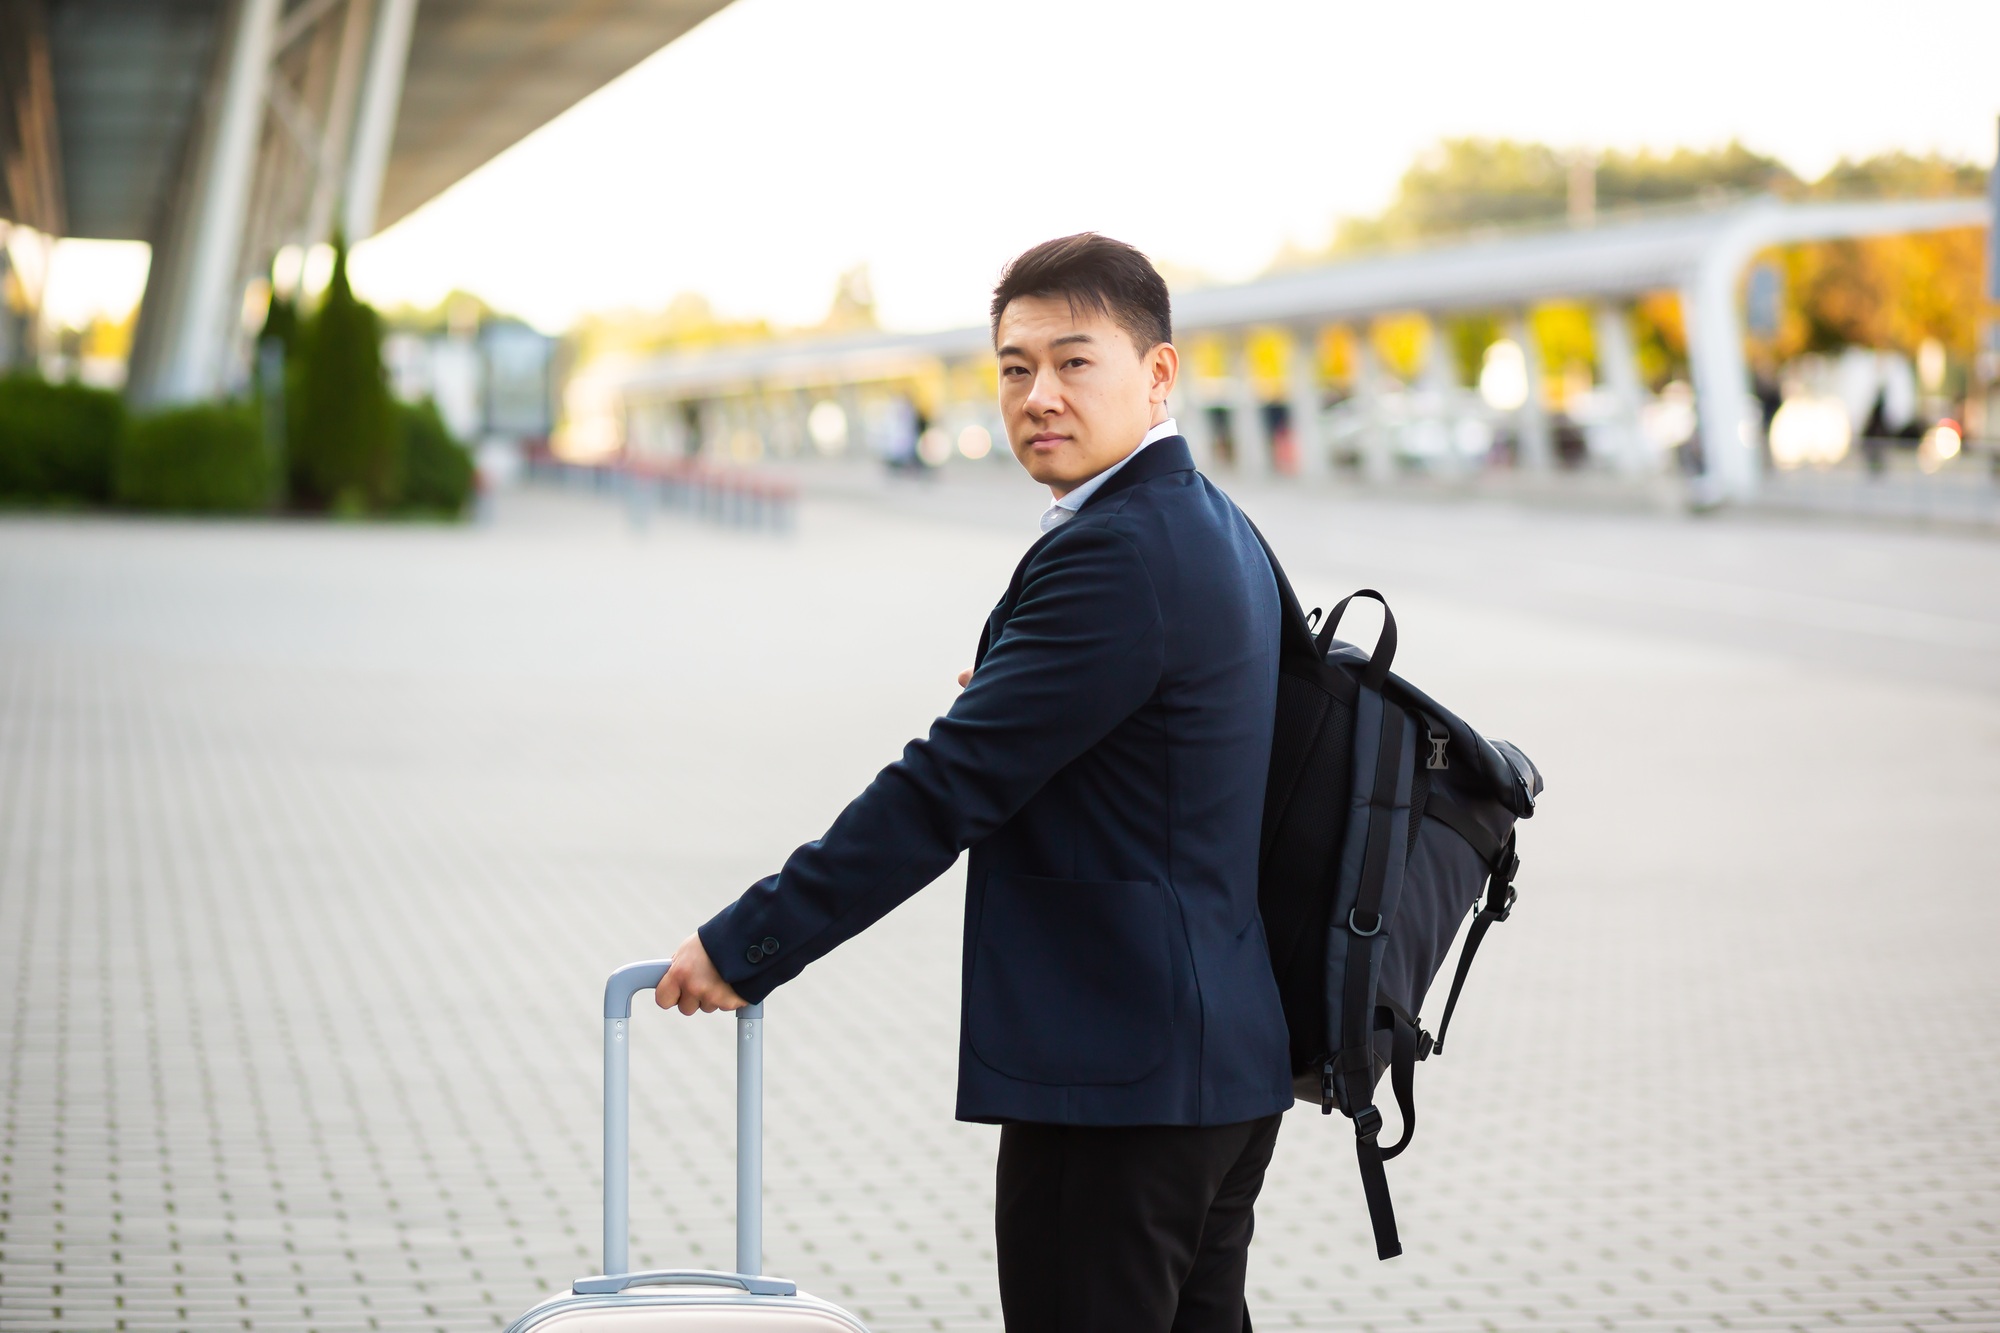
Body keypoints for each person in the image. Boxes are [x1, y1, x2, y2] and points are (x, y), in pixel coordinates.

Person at [655, 233, 1291, 1332]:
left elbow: (943, 789)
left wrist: (750, 942)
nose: (1036, 394)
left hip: (1117, 1076)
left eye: (1072, 362)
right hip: (1213, 1063)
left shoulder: (1119, 549)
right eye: (1011, 366)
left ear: (1157, 374)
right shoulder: (1214, 527)